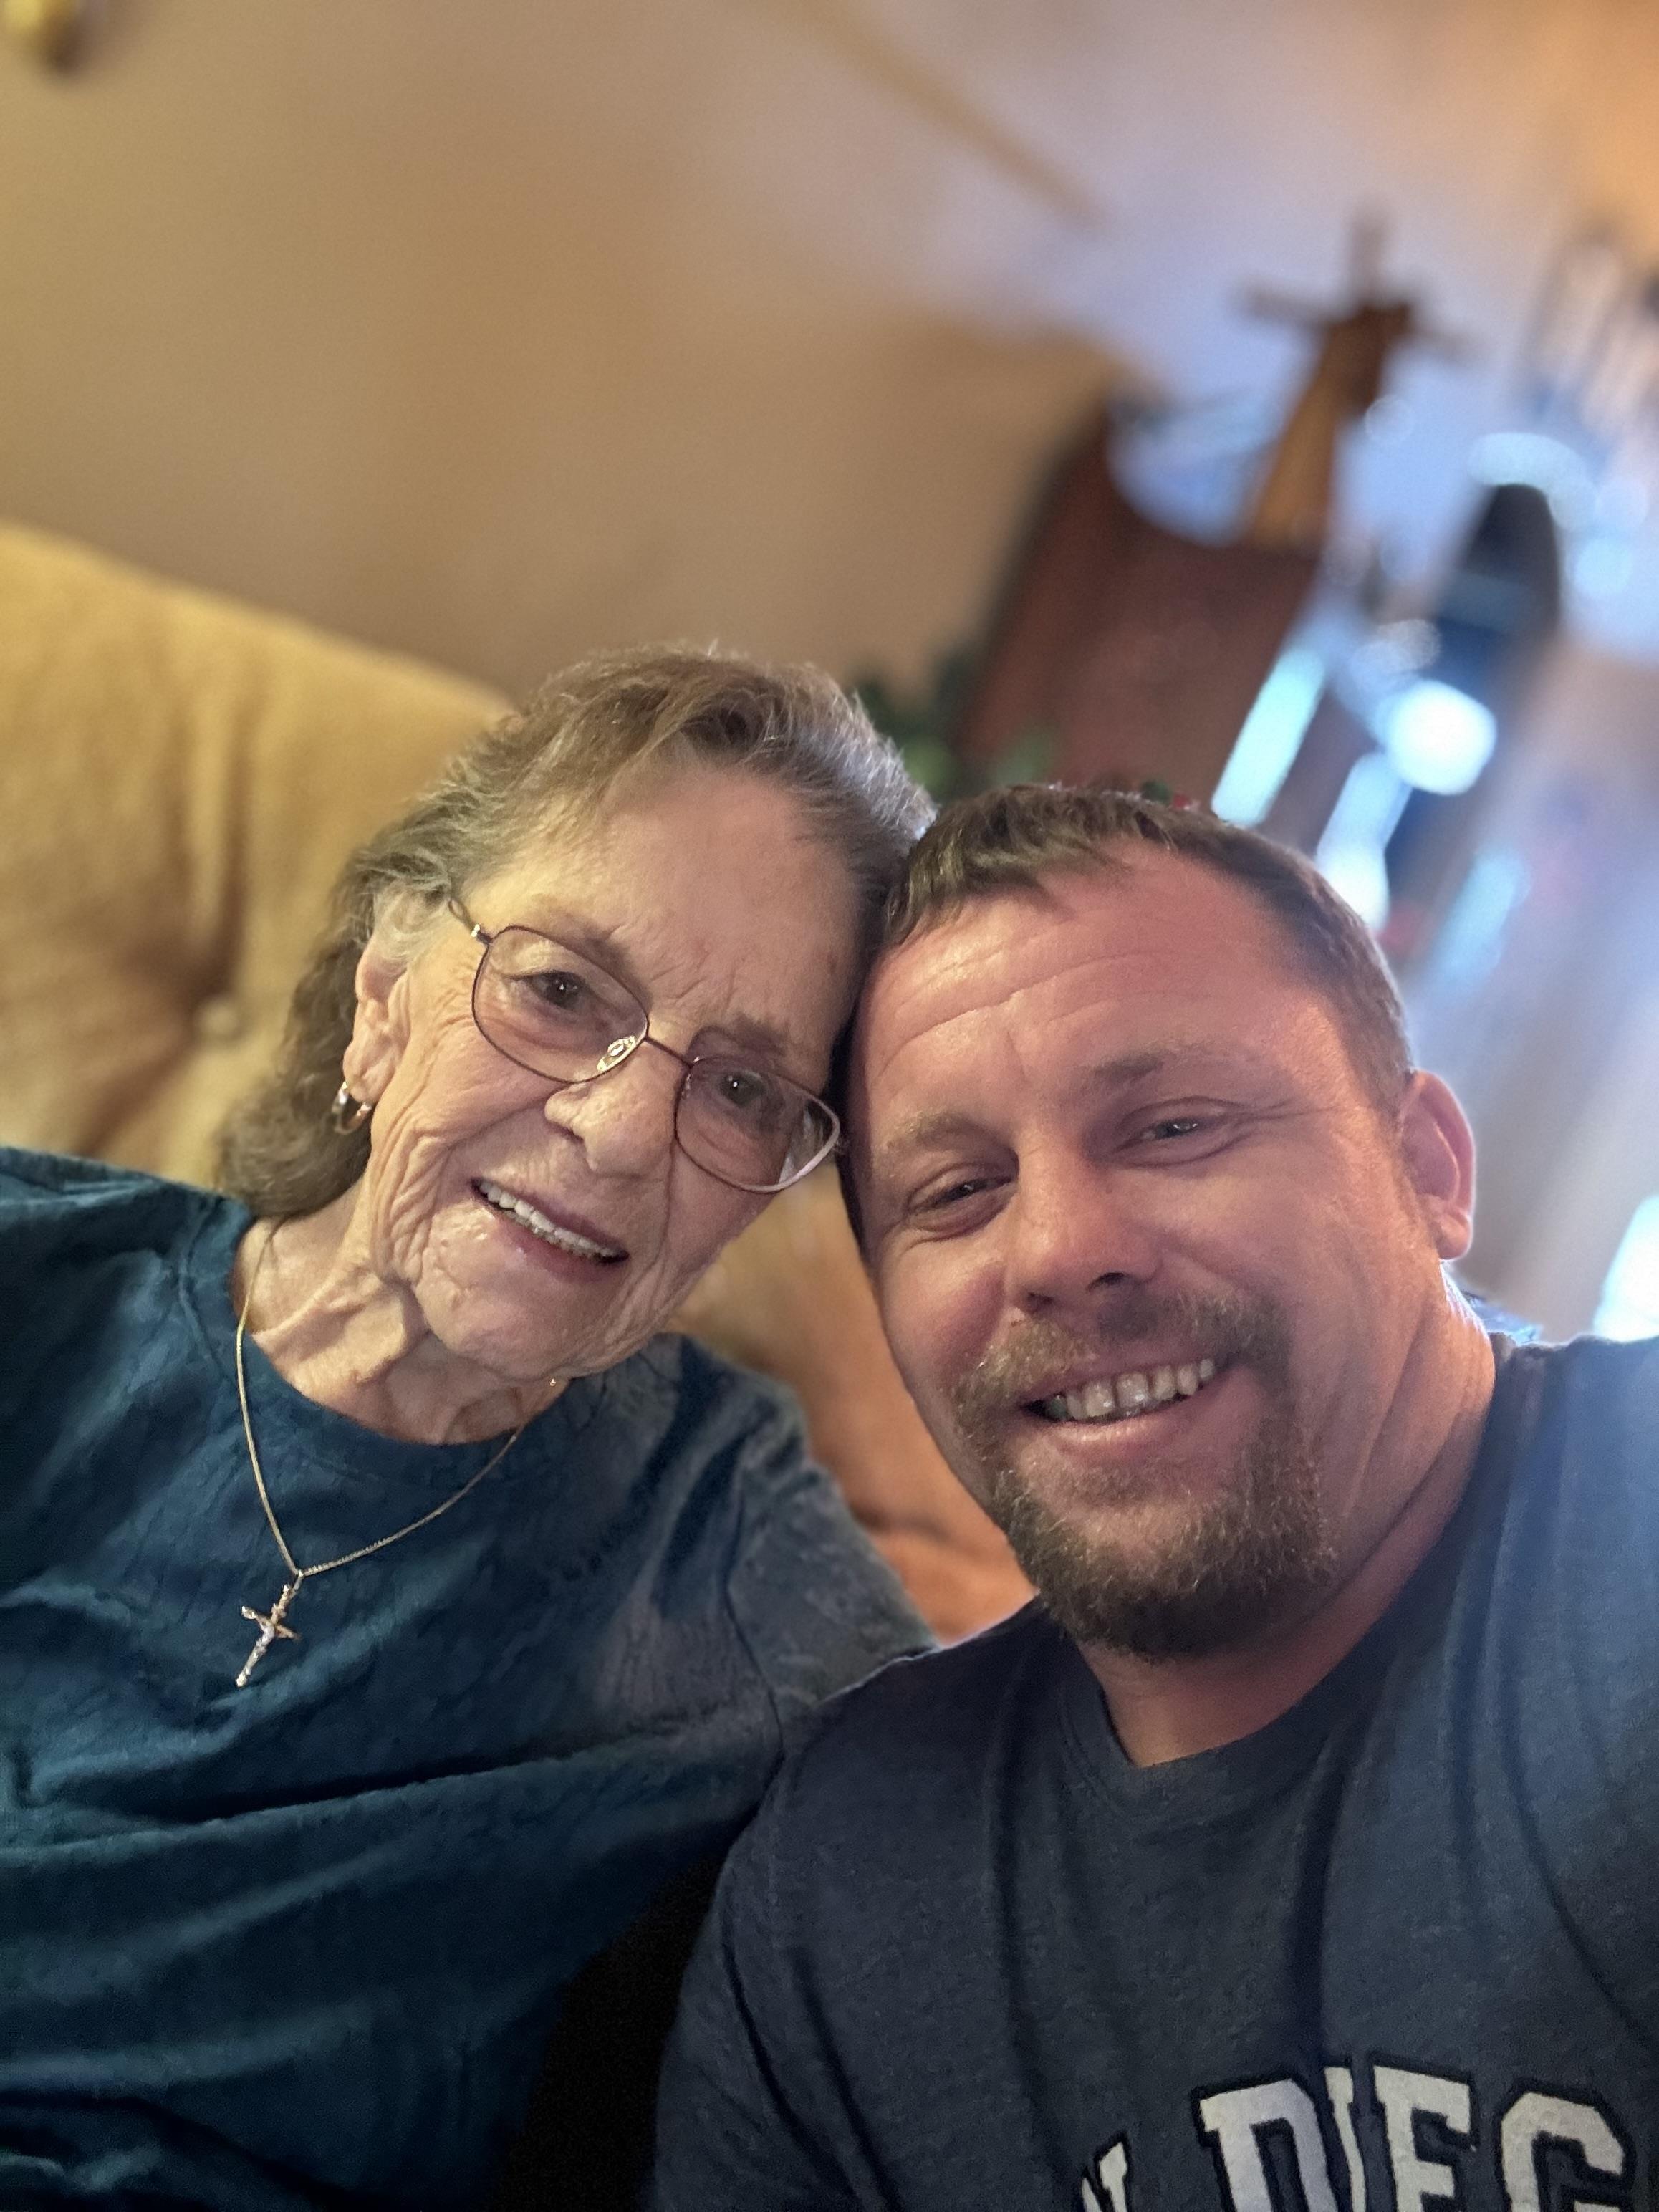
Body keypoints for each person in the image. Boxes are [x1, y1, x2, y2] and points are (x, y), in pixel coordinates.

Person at [0, 647, 936, 2211]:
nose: (624, 1128)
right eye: (563, 991)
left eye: (743, 1088)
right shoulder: (36, 1284)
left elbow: (1075, 1871)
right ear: (384, 997)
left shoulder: (730, 1554)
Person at [650, 783, 1659, 2212]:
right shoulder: (847, 1895)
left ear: (1428, 1166)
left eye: (1176, 1125)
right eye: (953, 1191)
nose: (1060, 1248)